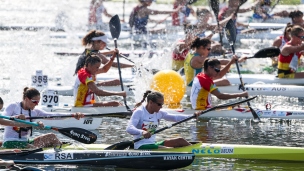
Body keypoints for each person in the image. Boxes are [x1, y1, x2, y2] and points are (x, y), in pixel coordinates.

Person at [2, 87, 84, 149]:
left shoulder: (35, 111)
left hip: (26, 141)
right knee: (31, 148)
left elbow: (53, 116)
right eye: (35, 101)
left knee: (52, 137)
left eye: (38, 101)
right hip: (10, 141)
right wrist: (16, 117)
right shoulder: (13, 107)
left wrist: (72, 115)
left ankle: (61, 153)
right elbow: (1, 121)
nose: (37, 104)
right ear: (26, 99)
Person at [126, 90, 201, 149]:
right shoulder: (139, 112)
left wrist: (192, 116)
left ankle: (195, 150)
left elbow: (175, 117)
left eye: (162, 104)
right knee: (168, 149)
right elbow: (129, 128)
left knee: (180, 140)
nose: (161, 107)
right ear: (151, 102)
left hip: (153, 144)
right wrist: (142, 132)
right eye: (159, 104)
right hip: (140, 145)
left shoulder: (159, 113)